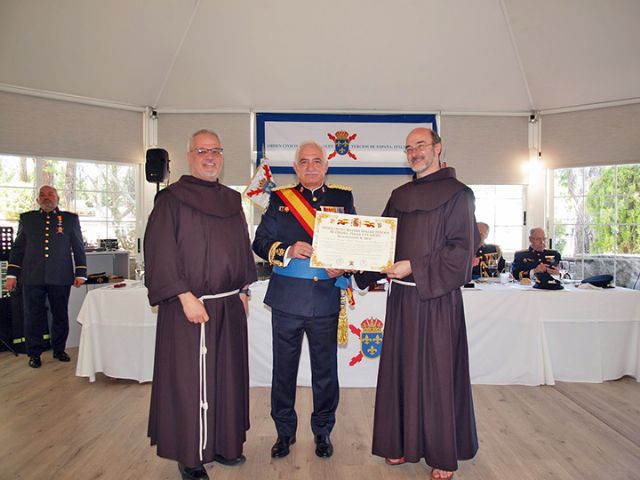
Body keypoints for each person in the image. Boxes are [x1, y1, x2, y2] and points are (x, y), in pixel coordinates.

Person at [355, 127, 479, 479]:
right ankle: (400, 443)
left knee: (438, 374)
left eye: (421, 145)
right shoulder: (399, 194)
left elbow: (461, 251)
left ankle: (441, 453)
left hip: (438, 300)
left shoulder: (459, 195)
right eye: (409, 148)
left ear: (438, 148)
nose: (414, 152)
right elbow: (382, 242)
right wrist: (353, 261)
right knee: (400, 370)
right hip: (403, 302)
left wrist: (415, 266)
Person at [144, 129, 257, 480]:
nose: (210, 157)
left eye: (215, 151)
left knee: (226, 377)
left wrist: (243, 290)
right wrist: (183, 295)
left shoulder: (232, 200)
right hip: (189, 306)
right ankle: (190, 455)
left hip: (228, 305)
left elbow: (241, 246)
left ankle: (224, 444)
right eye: (202, 151)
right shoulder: (171, 199)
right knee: (190, 382)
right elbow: (159, 251)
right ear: (189, 156)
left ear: (222, 156)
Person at [252, 141, 355, 460]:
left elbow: (353, 238)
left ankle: (322, 431)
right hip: (287, 301)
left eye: (317, 161)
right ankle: (284, 433)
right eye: (303, 162)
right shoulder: (280, 199)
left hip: (325, 298)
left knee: (325, 373)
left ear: (326, 166)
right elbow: (260, 242)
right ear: (295, 168)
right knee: (283, 371)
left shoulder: (342, 197)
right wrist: (286, 250)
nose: (310, 167)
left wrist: (346, 261)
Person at [4, 185, 86, 368]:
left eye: (50, 194)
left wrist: (81, 272)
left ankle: (59, 349)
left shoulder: (70, 219)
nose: (46, 197)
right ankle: (34, 353)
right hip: (32, 276)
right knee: (32, 316)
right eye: (42, 195)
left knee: (60, 314)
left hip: (60, 276)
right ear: (37, 200)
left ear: (57, 198)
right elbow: (18, 248)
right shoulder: (27, 219)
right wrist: (12, 274)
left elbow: (78, 247)